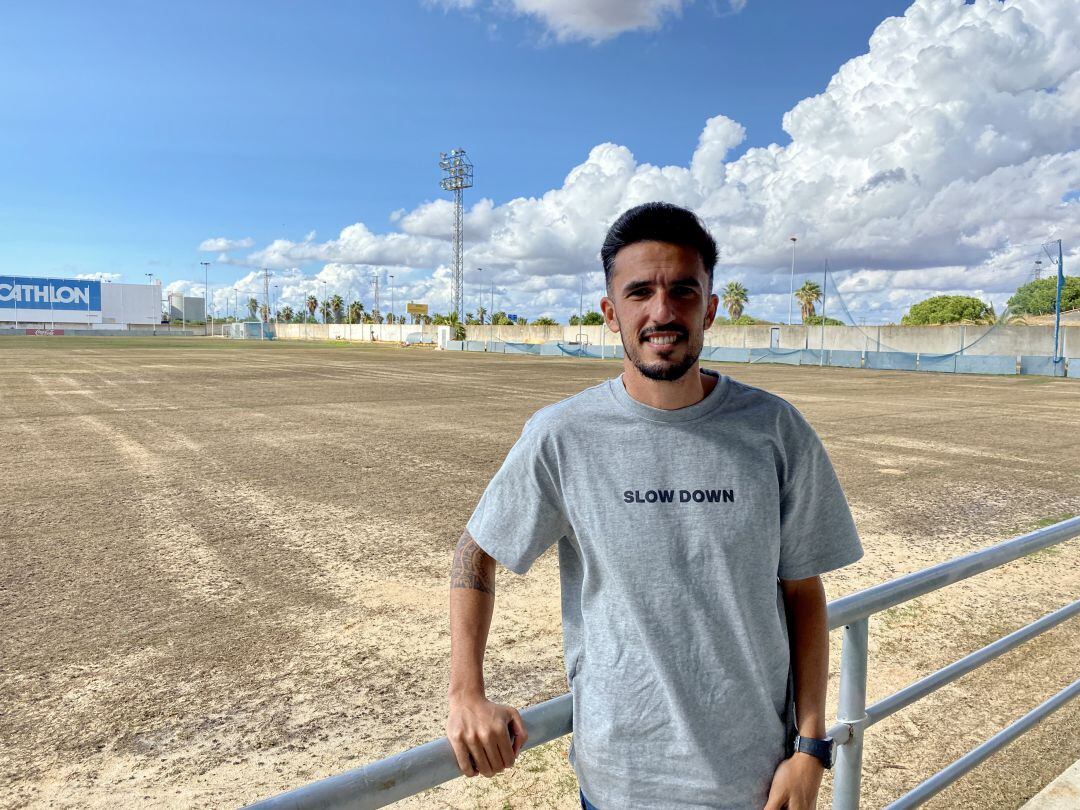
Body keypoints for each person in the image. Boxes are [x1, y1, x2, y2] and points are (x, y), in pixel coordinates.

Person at [446, 202, 863, 809]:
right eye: (639, 292)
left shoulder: (775, 430)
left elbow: (803, 592)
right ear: (611, 313)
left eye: (683, 291)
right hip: (619, 785)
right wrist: (466, 693)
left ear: (711, 308)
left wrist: (811, 749)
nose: (662, 312)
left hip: (758, 784)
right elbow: (473, 556)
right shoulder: (563, 435)